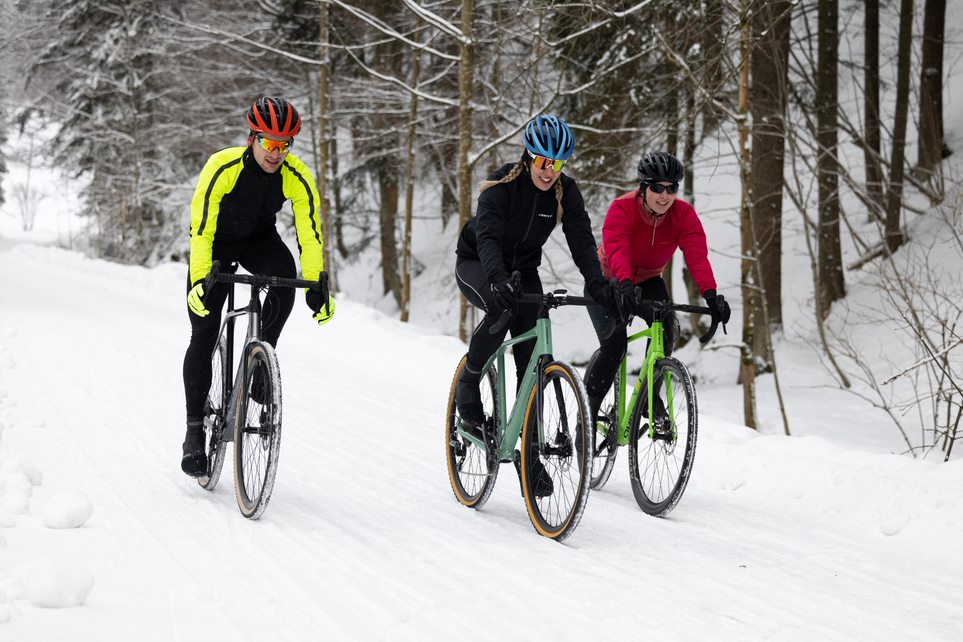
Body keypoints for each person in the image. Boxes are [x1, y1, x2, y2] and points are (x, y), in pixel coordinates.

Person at [454, 114, 619, 495]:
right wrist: (496, 280)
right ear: (529, 156)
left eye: (558, 164)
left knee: (531, 362)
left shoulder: (565, 192)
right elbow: (489, 239)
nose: (550, 171)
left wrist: (596, 282)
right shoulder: (499, 188)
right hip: (478, 263)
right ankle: (470, 378)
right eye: (544, 162)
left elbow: (581, 239)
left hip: (524, 271)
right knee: (502, 309)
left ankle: (528, 456)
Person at [180, 96, 335, 477]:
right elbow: (201, 230)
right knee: (203, 333)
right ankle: (194, 431)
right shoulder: (223, 165)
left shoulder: (295, 176)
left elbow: (309, 233)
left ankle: (259, 366)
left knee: (285, 276)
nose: (276, 153)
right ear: (252, 138)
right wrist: (200, 281)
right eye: (269, 143)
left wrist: (316, 282)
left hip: (258, 241)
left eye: (285, 145)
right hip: (216, 245)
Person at [582, 151, 731, 423]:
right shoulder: (622, 208)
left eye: (671, 188)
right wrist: (624, 283)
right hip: (608, 281)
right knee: (614, 347)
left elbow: (697, 257)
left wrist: (711, 295)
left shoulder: (683, 215)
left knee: (664, 327)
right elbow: (617, 250)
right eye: (657, 188)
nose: (664, 196)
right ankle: (587, 416)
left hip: (648, 280)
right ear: (643, 188)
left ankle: (651, 397)